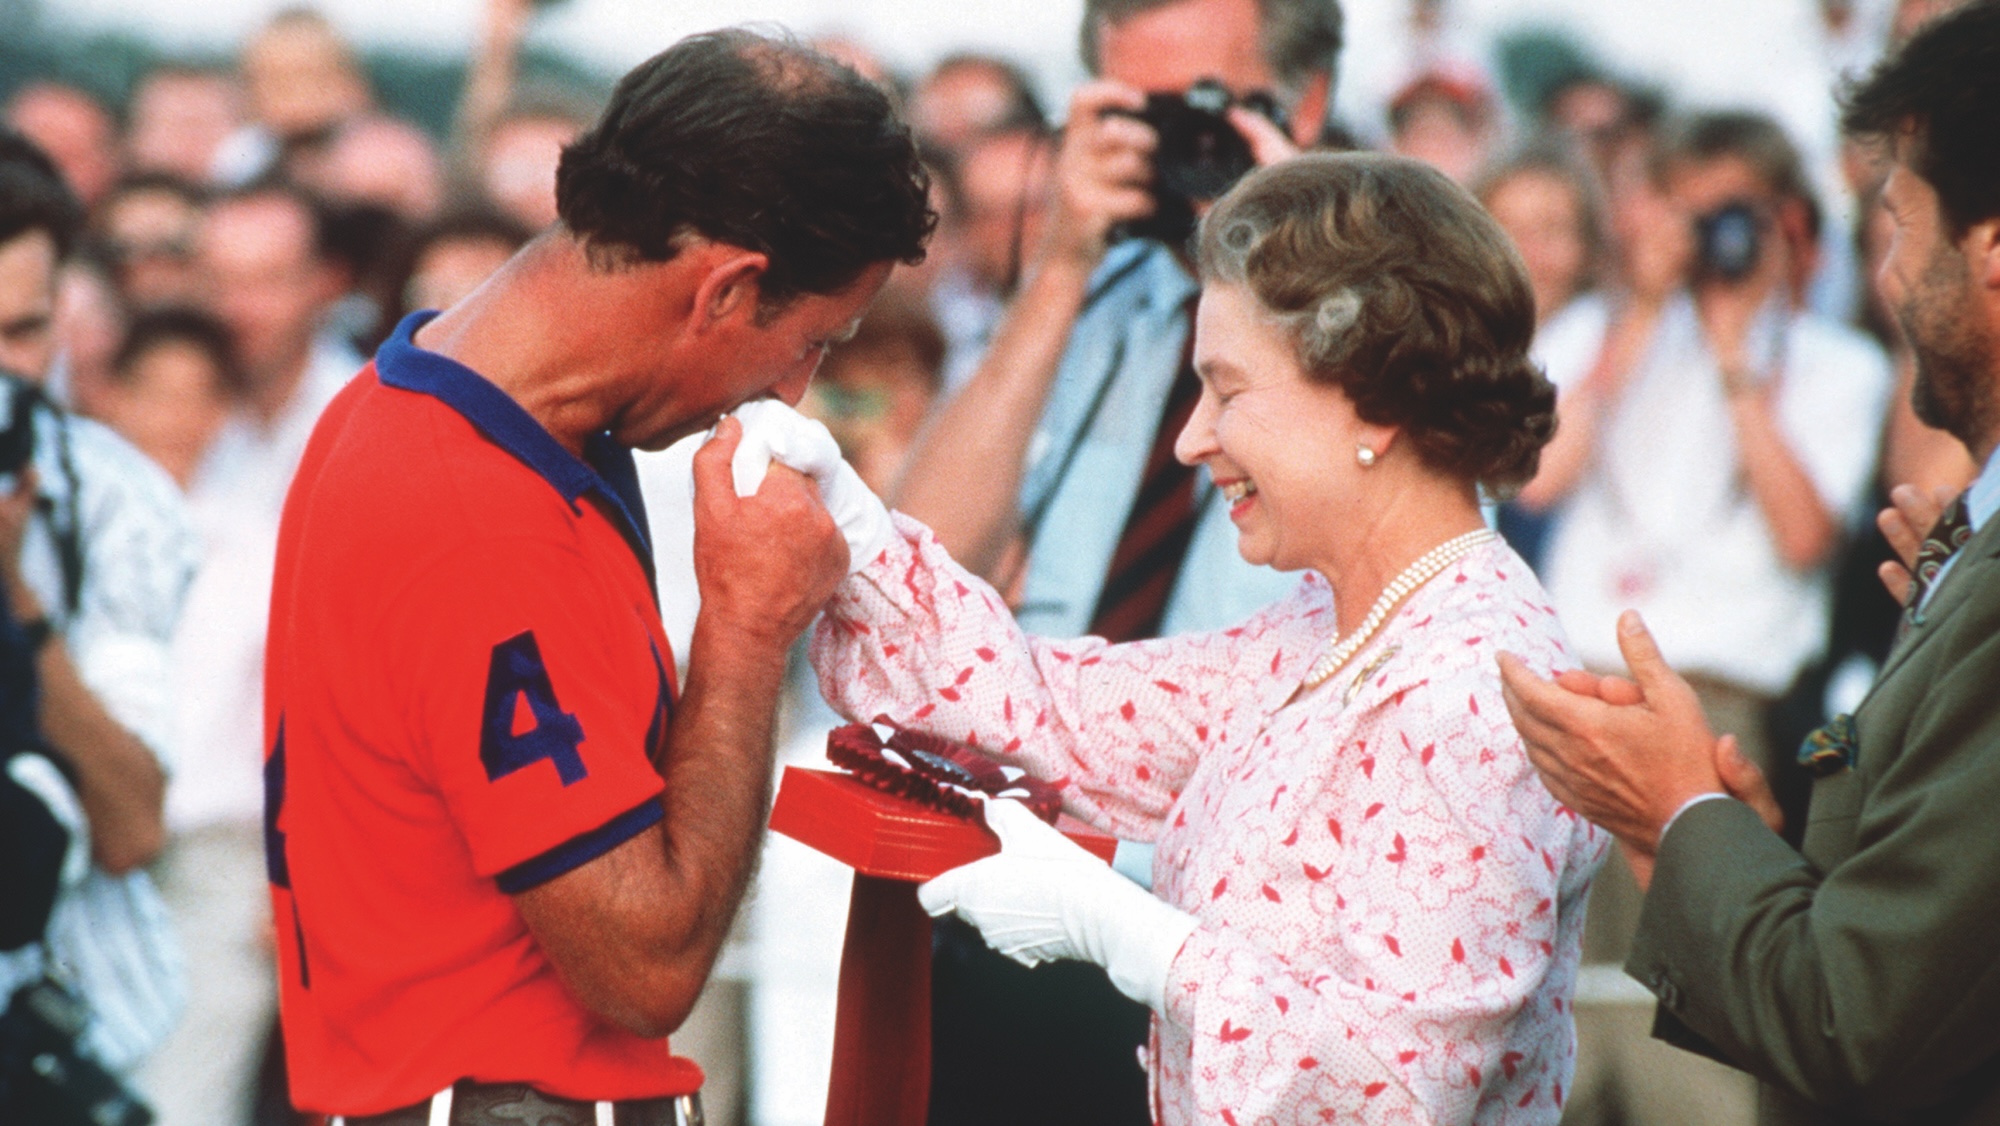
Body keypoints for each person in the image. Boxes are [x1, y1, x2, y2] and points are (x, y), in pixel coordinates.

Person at [809, 151, 1603, 1125]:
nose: (1191, 438)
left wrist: (1137, 937)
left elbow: (1399, 1095)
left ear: (1376, 400)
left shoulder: (1471, 691)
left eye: (1225, 391)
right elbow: (1046, 713)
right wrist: (848, 526)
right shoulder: (1330, 624)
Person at [262, 28, 931, 1123]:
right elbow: (644, 966)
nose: (796, 389)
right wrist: (748, 626)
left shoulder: (430, 396)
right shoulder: (472, 516)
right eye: (815, 339)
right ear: (726, 290)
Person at [1498, 3, 2000, 1123]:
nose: (1886, 270)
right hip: (1578, 705)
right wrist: (1641, 312)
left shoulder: (1817, 364)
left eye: (1898, 223)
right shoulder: (1602, 332)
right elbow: (1534, 477)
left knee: (1699, 1085)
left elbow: (1801, 535)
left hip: (1717, 715)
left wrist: (1732, 359)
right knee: (1557, 1051)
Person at [889, 2, 1343, 1117]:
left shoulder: (1387, 317)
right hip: (1020, 897)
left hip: (1242, 940)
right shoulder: (1086, 305)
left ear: (1307, 103)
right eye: (1137, 112)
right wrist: (1056, 265)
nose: (1177, 147)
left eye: (1202, 108)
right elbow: (919, 568)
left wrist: (1290, 257)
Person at [0, 127, 197, 1079]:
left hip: (68, 1025)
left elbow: (132, 826)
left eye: (24, 332)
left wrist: (19, 606)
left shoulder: (118, 503)